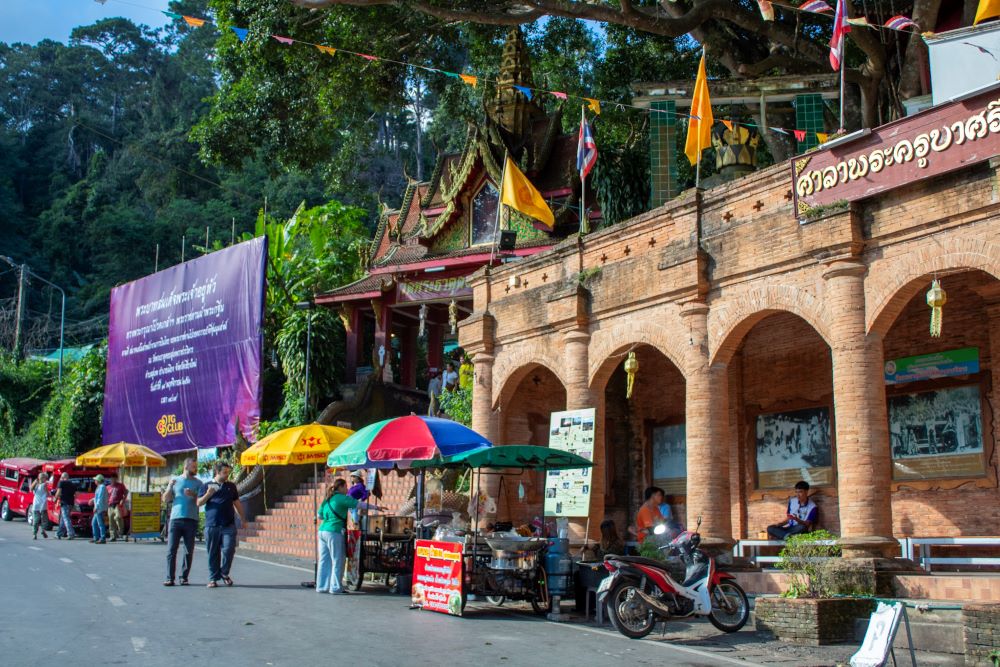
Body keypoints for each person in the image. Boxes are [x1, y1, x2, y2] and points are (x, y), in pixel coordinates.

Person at [317, 478, 382, 594]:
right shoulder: (342, 498)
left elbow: (319, 516)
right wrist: (376, 508)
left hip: (322, 531)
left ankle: (322, 587)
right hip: (334, 531)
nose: (347, 489)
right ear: (341, 487)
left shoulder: (327, 499)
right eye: (345, 487)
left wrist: (330, 517)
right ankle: (335, 587)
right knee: (338, 559)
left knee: (324, 560)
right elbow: (359, 504)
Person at [197, 461, 244, 588]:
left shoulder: (231, 486)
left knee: (229, 549)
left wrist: (243, 518)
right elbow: (199, 503)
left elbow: (237, 502)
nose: (227, 475)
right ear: (217, 472)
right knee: (213, 552)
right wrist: (208, 494)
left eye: (228, 472)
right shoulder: (206, 485)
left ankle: (224, 572)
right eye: (224, 472)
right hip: (212, 524)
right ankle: (213, 578)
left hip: (228, 524)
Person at [162, 457, 201, 586]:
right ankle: (169, 577)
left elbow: (202, 500)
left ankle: (183, 577)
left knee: (188, 550)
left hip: (191, 519)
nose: (196, 469)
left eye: (196, 467)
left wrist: (193, 495)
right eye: (194, 467)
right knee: (171, 550)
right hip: (175, 519)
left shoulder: (198, 483)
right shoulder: (175, 480)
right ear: (186, 466)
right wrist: (169, 486)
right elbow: (165, 499)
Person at [55, 473, 77, 540]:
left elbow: (58, 492)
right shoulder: (72, 484)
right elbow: (75, 494)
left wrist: (55, 499)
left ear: (63, 477)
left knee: (66, 518)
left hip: (64, 503)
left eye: (61, 477)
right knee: (63, 519)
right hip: (71, 503)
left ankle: (71, 533)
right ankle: (59, 533)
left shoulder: (61, 483)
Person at [107, 476, 129, 542]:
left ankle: (121, 532)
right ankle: (113, 536)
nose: (112, 479)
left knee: (118, 517)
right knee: (111, 520)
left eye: (114, 478)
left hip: (118, 504)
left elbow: (126, 492)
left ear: (116, 479)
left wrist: (123, 499)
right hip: (110, 505)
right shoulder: (108, 487)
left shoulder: (120, 485)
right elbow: (107, 496)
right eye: (111, 478)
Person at [29, 472, 49, 540]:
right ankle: (43, 531)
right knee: (44, 520)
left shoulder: (36, 484)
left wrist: (35, 482)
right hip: (43, 505)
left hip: (36, 505)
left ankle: (34, 534)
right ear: (43, 478)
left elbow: (31, 489)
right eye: (45, 478)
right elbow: (48, 493)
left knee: (36, 520)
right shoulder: (44, 485)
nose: (46, 479)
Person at [90, 474, 109, 544]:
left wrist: (96, 507)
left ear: (98, 480)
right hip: (98, 508)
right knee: (94, 523)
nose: (94, 481)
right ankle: (96, 537)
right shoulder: (99, 487)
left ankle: (102, 538)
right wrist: (92, 500)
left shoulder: (102, 487)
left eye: (95, 480)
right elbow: (97, 497)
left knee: (100, 523)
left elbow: (100, 498)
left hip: (100, 508)